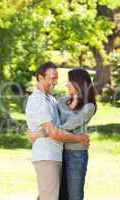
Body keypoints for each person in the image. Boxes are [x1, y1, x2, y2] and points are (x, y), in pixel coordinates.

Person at [29, 68, 97, 200]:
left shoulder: (89, 106)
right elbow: (50, 120)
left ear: (79, 83)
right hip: (58, 152)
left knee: (74, 195)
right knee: (54, 193)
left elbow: (69, 126)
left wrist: (42, 133)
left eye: (70, 82)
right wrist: (42, 130)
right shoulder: (61, 101)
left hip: (76, 154)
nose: (66, 84)